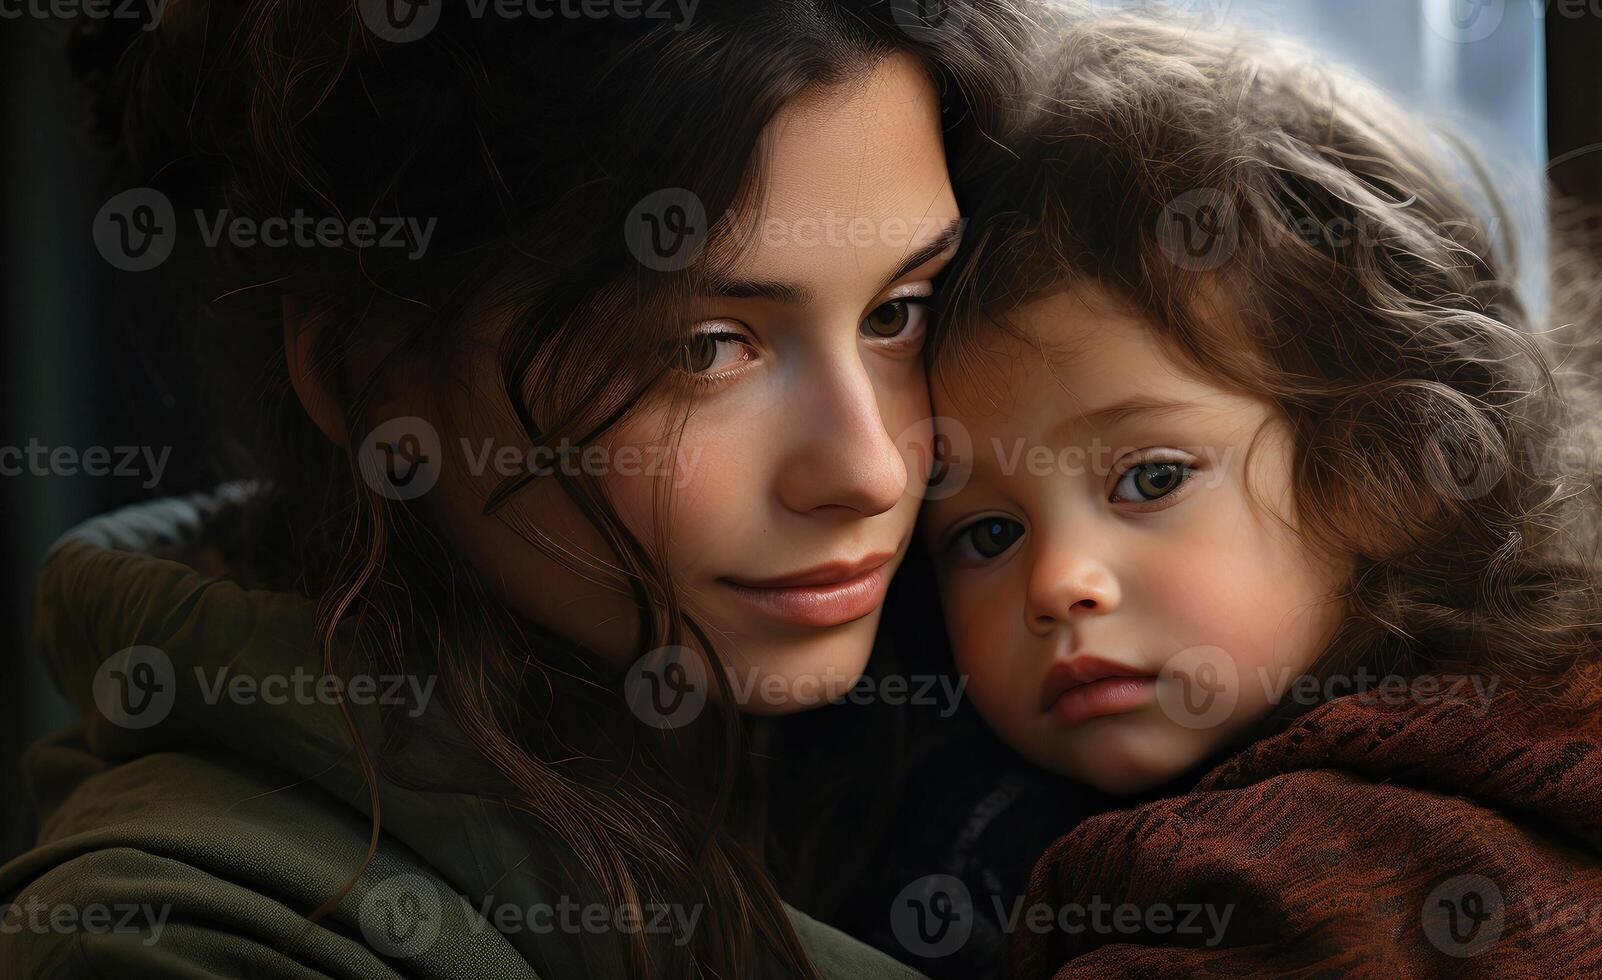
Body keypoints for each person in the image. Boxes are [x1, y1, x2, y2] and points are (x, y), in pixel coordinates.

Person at [0, 1, 1033, 977]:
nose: (874, 467)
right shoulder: (180, 938)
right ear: (375, 379)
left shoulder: (1021, 704)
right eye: (707, 346)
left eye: (898, 310)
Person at [919, 15, 1602, 976]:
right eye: (984, 533)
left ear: (1387, 474)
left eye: (1150, 479)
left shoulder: (1304, 868)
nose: (1057, 583)